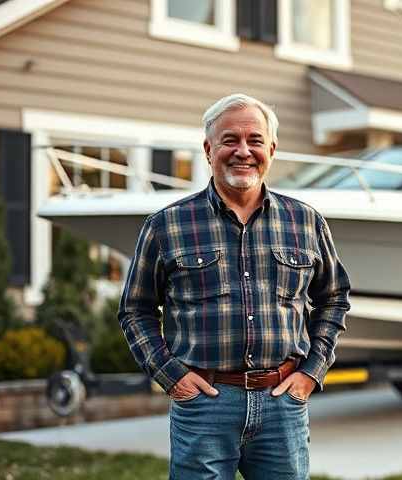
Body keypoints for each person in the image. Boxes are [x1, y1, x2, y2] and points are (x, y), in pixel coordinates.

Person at [118, 93, 351, 479]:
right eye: (230, 140)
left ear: (271, 150)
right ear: (209, 149)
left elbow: (333, 298)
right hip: (205, 404)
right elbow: (135, 310)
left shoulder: (306, 222)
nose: (243, 151)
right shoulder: (166, 225)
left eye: (255, 141)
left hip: (283, 404)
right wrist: (171, 376)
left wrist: (312, 372)